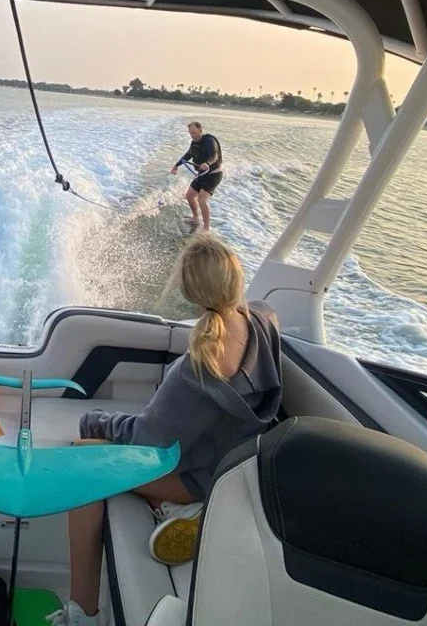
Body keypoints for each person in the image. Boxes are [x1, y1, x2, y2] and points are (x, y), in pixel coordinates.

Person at [51, 234, 282, 626]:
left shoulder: (197, 367)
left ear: (189, 290)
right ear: (235, 278)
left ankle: (82, 613)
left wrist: (95, 422)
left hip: (198, 479)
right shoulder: (263, 321)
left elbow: (146, 441)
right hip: (234, 470)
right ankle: (168, 507)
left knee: (82, 458)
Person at [170, 121, 223, 232]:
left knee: (202, 199)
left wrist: (207, 163)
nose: (192, 136)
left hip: (214, 174)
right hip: (201, 175)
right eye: (190, 133)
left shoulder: (209, 140)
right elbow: (188, 155)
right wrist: (176, 165)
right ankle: (195, 218)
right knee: (189, 196)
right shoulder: (194, 143)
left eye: (194, 133)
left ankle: (206, 229)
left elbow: (214, 155)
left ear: (200, 130)